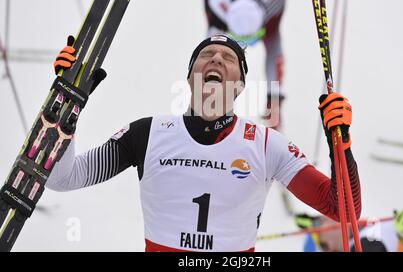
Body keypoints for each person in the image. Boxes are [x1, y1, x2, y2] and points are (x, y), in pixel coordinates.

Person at [48, 34, 361, 252]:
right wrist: (66, 108)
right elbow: (64, 178)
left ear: (239, 86)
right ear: (189, 79)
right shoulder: (147, 134)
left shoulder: (267, 145)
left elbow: (343, 211)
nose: (216, 59)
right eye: (206, 56)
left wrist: (341, 144)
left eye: (228, 58)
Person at [204, 0, 294, 130]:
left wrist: (274, 101)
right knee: (212, 52)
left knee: (273, 37)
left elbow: (274, 49)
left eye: (253, 39)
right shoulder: (216, 7)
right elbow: (206, 60)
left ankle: (273, 106)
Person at [295, 209, 403, 252]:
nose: (326, 218)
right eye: (321, 224)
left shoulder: (361, 232)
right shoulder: (358, 247)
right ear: (327, 246)